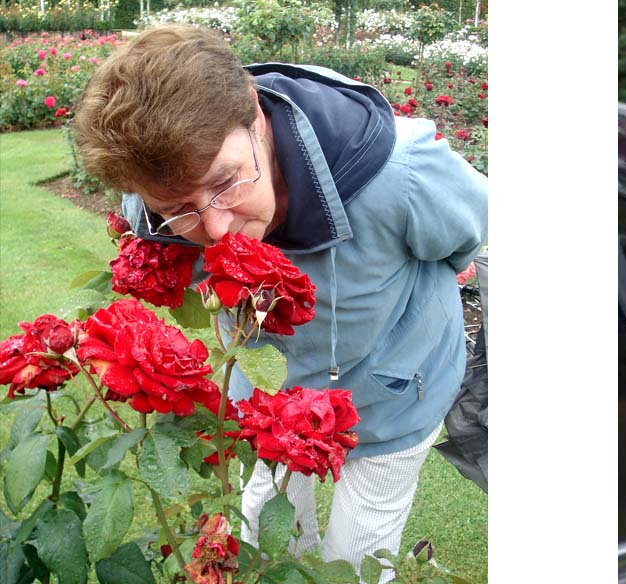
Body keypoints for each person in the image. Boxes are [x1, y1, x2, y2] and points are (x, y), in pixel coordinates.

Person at [70, 25, 487, 581]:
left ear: (254, 114)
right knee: (263, 540)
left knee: (355, 561)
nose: (215, 230)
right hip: (266, 400)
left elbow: (467, 235)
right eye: (180, 207)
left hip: (395, 394)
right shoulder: (154, 203)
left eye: (224, 182)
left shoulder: (403, 174)